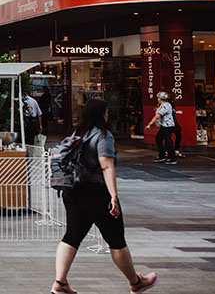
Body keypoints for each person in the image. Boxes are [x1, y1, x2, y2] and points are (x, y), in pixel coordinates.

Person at [51, 98, 158, 294]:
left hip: (72, 191)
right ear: (102, 114)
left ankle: (60, 282)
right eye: (107, 112)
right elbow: (106, 165)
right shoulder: (103, 135)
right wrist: (113, 197)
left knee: (72, 236)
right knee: (116, 240)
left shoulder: (77, 134)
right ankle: (136, 282)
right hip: (96, 193)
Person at [145, 92, 177, 165]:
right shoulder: (165, 105)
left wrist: (149, 124)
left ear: (161, 99)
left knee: (168, 141)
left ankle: (172, 158)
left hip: (167, 126)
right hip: (164, 126)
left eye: (158, 98)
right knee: (159, 139)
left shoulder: (165, 106)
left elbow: (157, 116)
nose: (157, 99)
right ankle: (163, 155)